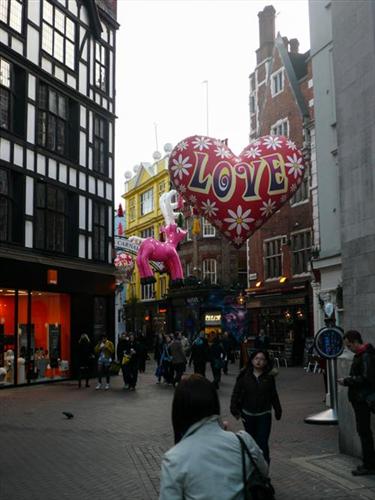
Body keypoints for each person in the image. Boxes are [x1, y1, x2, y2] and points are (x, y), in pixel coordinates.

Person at [159, 374, 268, 500]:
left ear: (179, 410)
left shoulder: (174, 458)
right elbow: (263, 471)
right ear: (214, 403)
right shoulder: (243, 441)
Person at [230, 349, 282, 463]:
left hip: (264, 414)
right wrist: (234, 409)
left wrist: (278, 410)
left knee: (262, 442)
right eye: (256, 359)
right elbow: (236, 393)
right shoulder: (244, 375)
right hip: (248, 414)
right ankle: (253, 467)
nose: (259, 361)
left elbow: (273, 394)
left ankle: (264, 468)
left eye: (262, 359)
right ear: (252, 360)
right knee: (251, 442)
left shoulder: (269, 377)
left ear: (266, 362)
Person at [338, 330, 375, 476]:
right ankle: (368, 462)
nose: (348, 349)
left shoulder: (365, 356)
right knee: (363, 431)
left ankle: (369, 464)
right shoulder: (362, 355)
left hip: (362, 399)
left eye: (348, 345)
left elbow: (366, 378)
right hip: (360, 398)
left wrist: (347, 381)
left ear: (355, 342)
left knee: (364, 432)